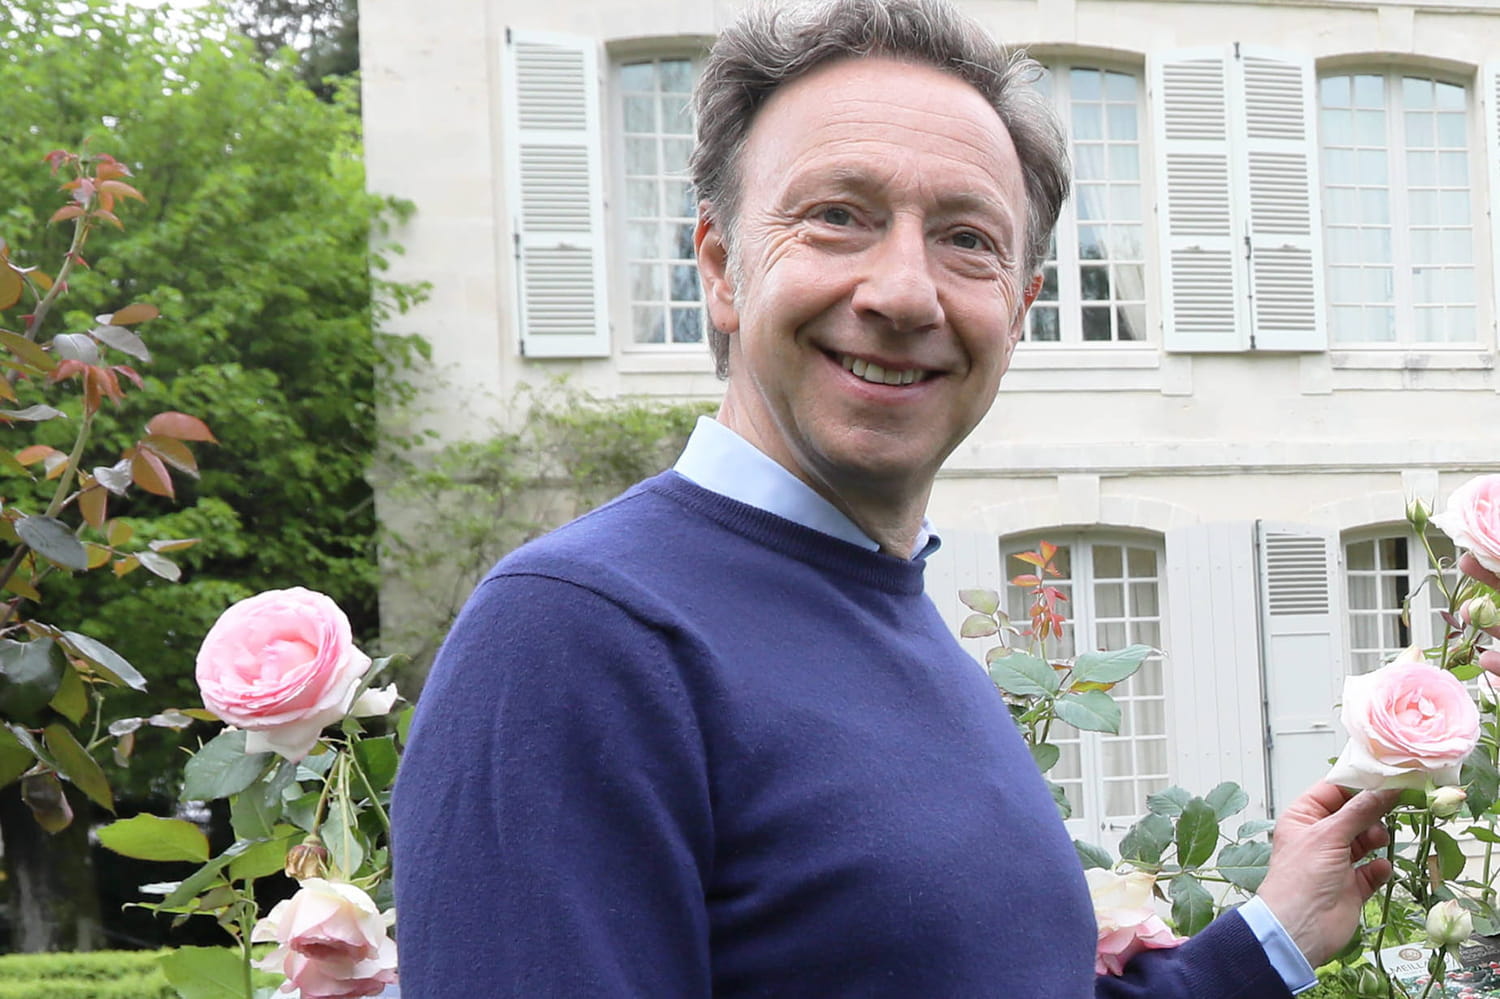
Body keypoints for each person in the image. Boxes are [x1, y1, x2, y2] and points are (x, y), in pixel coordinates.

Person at [392, 1, 1397, 995]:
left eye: (967, 239)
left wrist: (1270, 937)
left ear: (1019, 310)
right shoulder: (578, 636)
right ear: (721, 270)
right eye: (837, 217)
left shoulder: (898, 621)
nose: (906, 292)